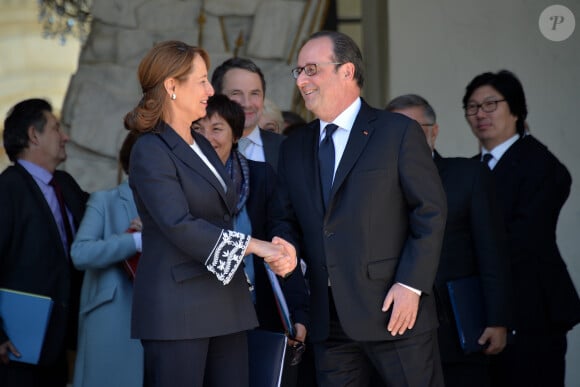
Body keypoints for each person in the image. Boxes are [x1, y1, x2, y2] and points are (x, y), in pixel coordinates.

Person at [270, 30, 447, 386]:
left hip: (395, 312)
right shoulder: (294, 146)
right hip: (328, 320)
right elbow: (285, 218)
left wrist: (411, 285)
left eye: (311, 69)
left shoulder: (397, 132)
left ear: (347, 72)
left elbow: (429, 211)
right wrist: (284, 244)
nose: (302, 80)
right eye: (299, 72)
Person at [123, 40, 297, 387]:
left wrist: (276, 247)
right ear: (171, 86)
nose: (210, 89)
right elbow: (179, 225)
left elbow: (219, 217)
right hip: (178, 310)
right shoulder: (150, 149)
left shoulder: (201, 144)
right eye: (201, 80)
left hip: (226, 304)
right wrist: (256, 246)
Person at [462, 69, 580, 387]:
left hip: (531, 311)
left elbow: (523, 241)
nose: (480, 114)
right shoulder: (471, 169)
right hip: (481, 310)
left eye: (490, 104)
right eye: (472, 107)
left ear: (515, 109)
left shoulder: (542, 166)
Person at [386, 94, 512, 387]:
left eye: (415, 128)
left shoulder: (467, 175)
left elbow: (492, 251)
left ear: (434, 131)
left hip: (456, 326)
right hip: (393, 330)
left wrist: (497, 319)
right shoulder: (372, 186)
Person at [192, 94, 309, 386]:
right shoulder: (181, 182)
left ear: (235, 136)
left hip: (257, 313)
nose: (206, 137)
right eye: (198, 129)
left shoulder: (261, 178)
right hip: (195, 315)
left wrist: (299, 312)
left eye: (216, 128)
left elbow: (281, 242)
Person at [0, 98, 88, 386]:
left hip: (60, 344)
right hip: (16, 348)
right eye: (56, 128)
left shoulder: (65, 184)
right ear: (33, 135)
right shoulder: (8, 188)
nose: (66, 137)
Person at [70, 131, 143, 387]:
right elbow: (80, 253)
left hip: (161, 320)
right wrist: (134, 241)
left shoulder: (176, 206)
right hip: (113, 319)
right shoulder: (105, 200)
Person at [211, 57, 284, 170]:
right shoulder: (199, 146)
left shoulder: (287, 148)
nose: (247, 103)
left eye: (254, 93)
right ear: (216, 96)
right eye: (236, 93)